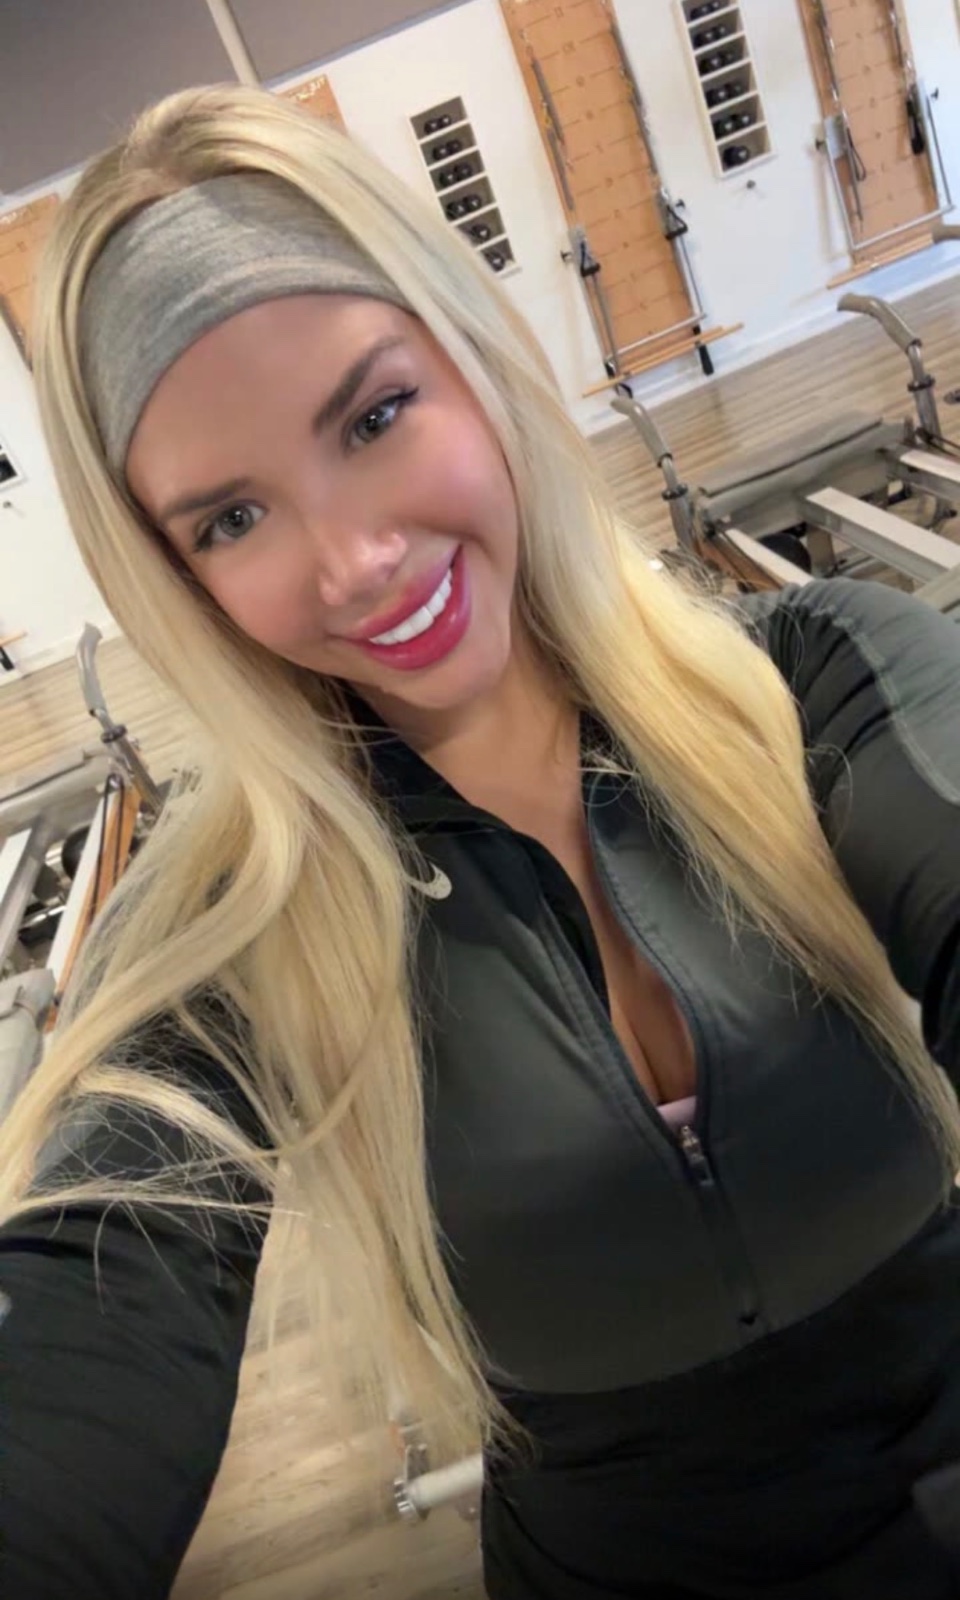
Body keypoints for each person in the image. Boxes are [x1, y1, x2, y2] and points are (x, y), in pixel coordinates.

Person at [1, 81, 959, 1600]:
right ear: (176, 578)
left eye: (374, 417)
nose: (355, 563)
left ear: (473, 357)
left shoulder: (819, 682)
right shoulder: (239, 928)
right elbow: (87, 1317)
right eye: (232, 520)